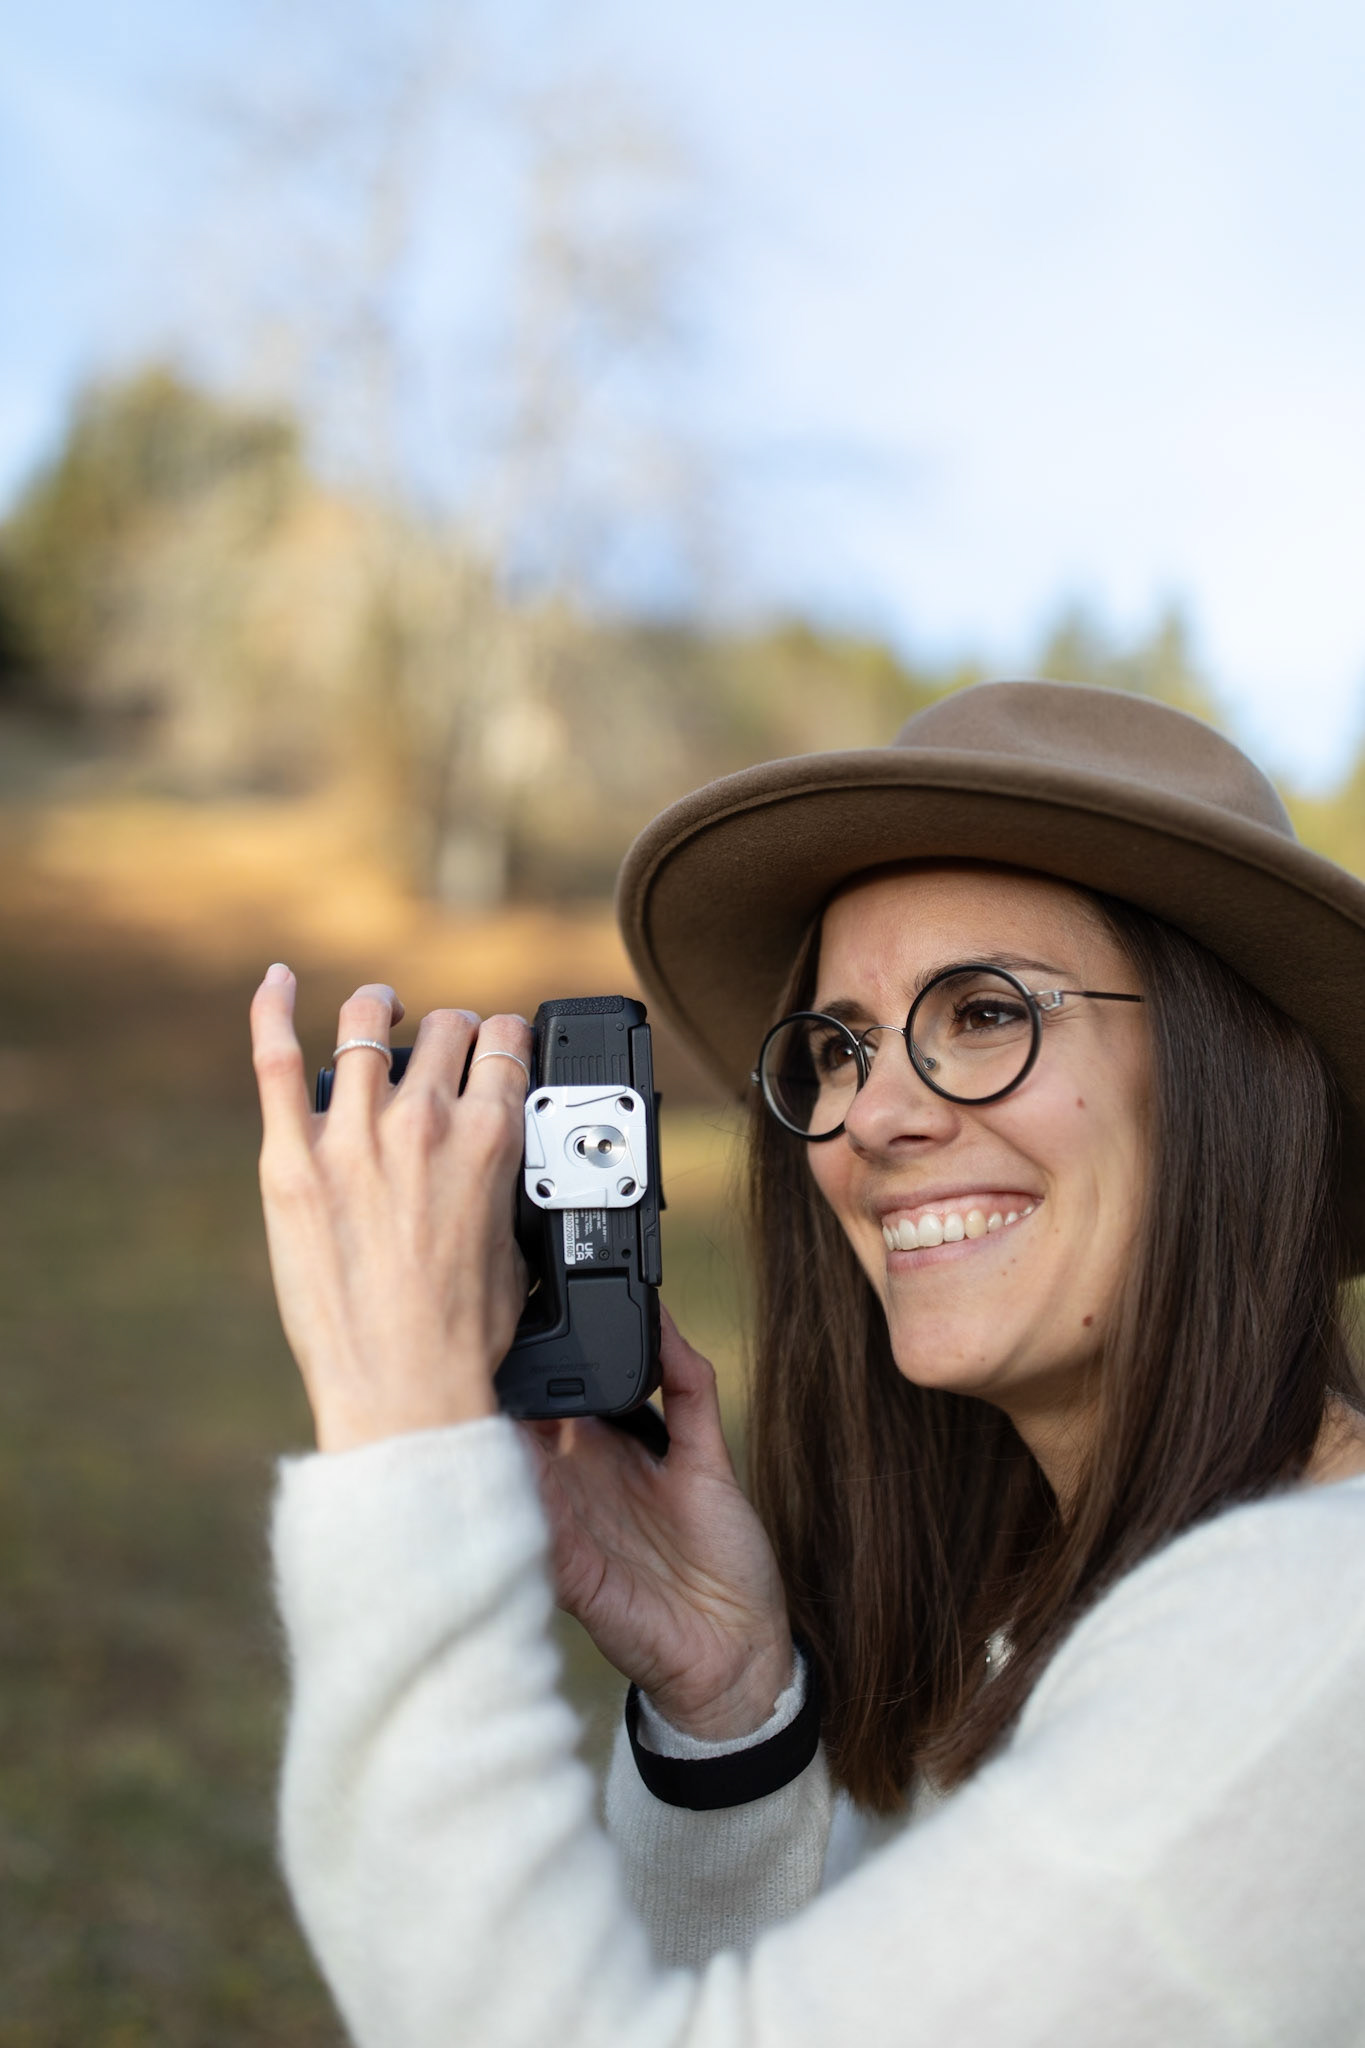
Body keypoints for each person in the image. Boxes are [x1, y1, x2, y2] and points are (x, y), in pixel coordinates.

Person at [252, 680, 1365, 2048]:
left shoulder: (1306, 1641)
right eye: (838, 1048)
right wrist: (729, 1719)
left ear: (1230, 1078)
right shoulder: (1050, 1617)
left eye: (983, 1012)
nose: (872, 1116)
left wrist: (399, 1439)